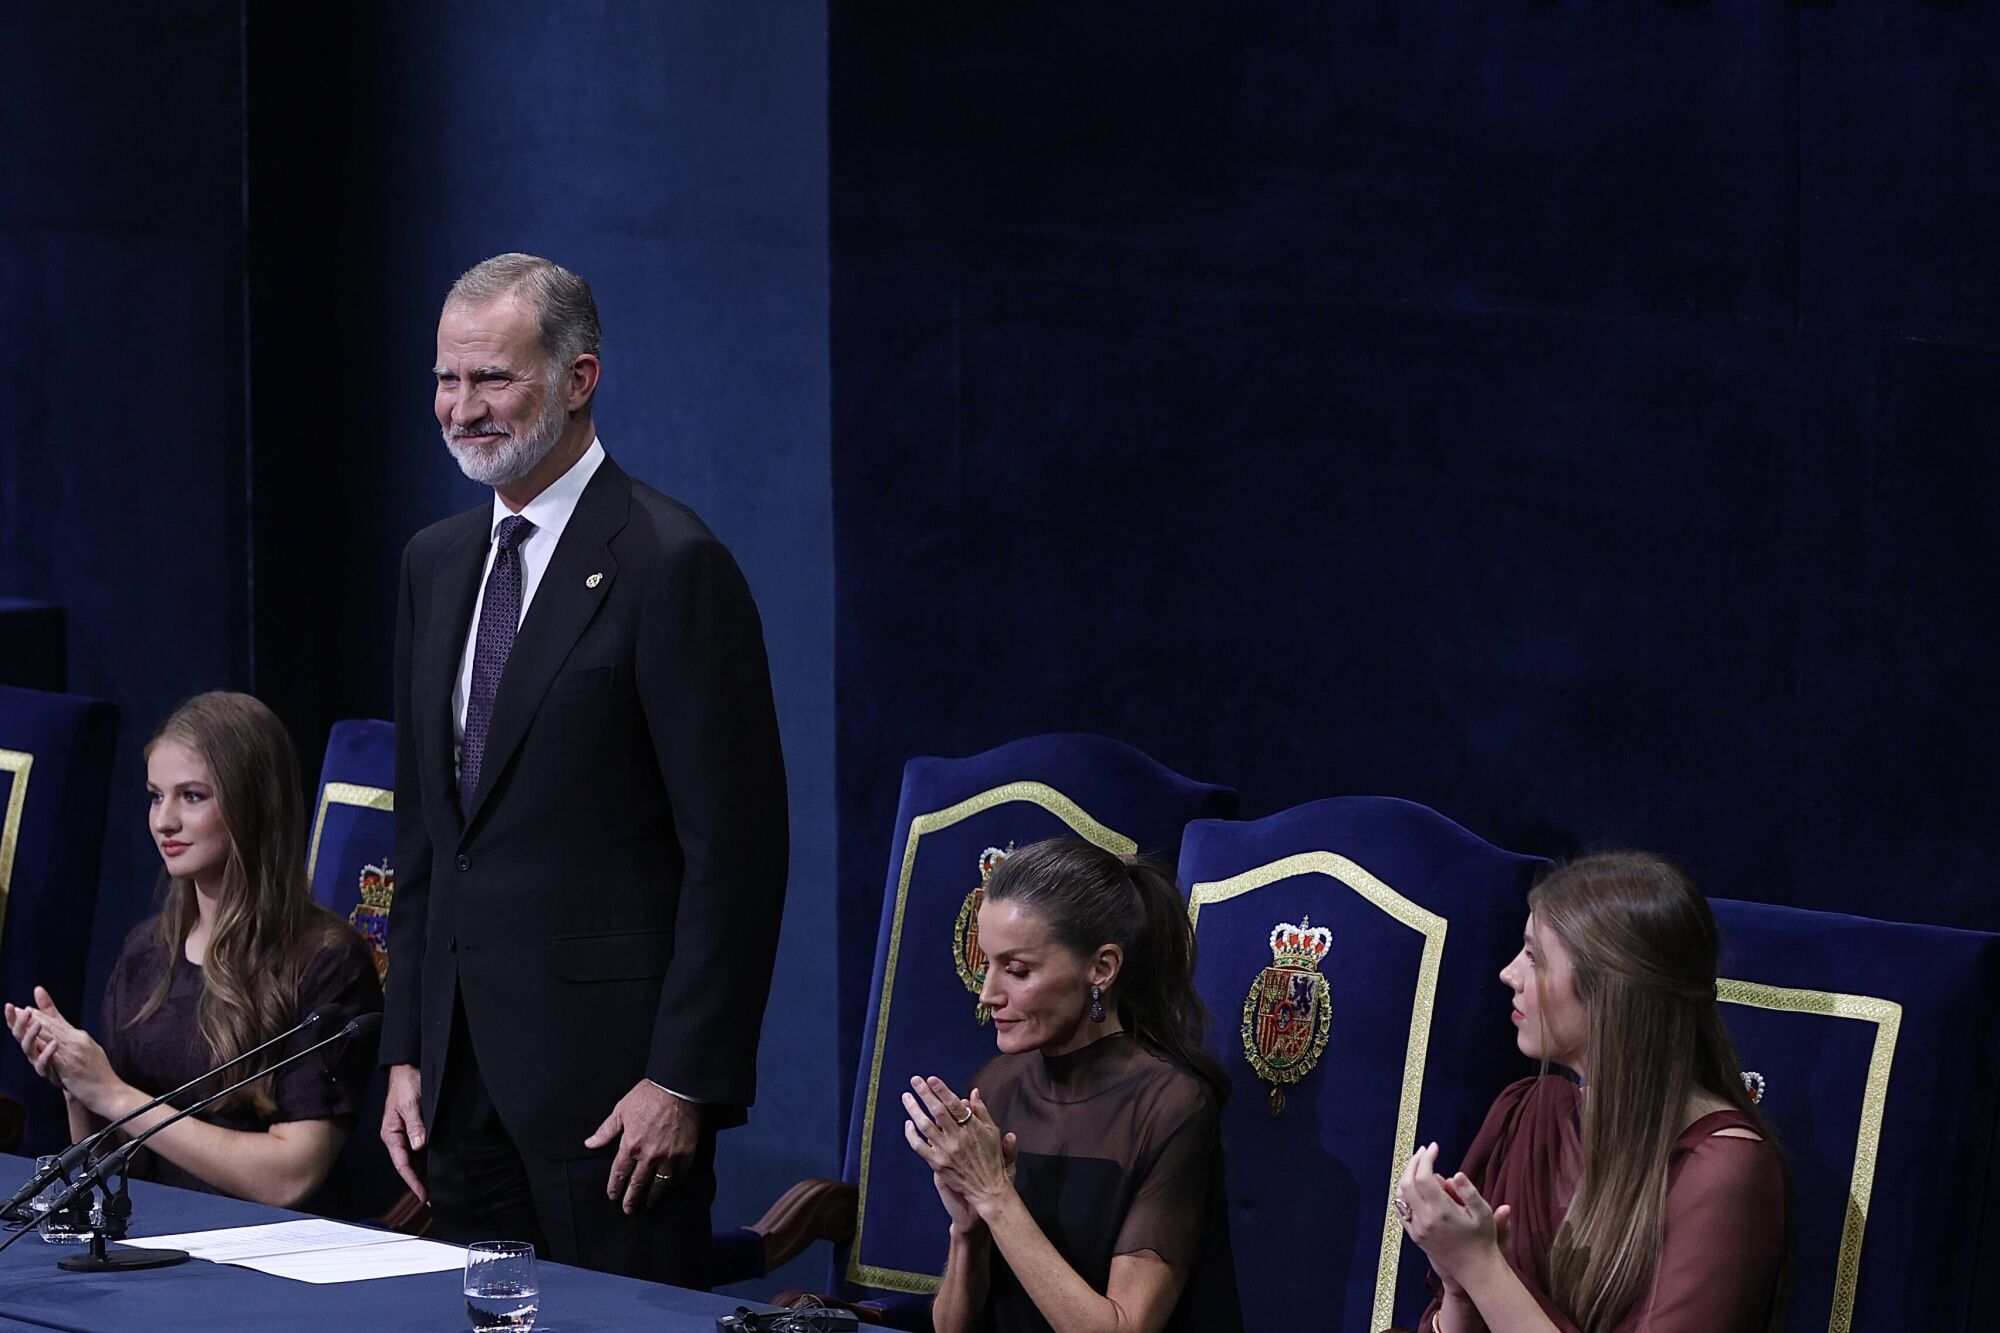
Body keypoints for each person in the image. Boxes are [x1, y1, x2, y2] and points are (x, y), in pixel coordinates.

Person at [380, 253, 788, 1286]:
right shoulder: (432, 563)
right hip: (457, 1089)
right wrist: (404, 1049)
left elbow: (734, 853)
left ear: (578, 378)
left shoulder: (670, 562)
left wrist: (684, 1081)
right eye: (445, 378)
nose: (462, 408)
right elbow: (429, 838)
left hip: (615, 1102)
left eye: (493, 378)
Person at [5, 691, 381, 1209]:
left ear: (255, 805)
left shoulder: (326, 961)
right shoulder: (146, 951)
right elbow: (123, 1170)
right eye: (156, 796)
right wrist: (78, 1083)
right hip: (153, 1240)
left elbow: (290, 1180)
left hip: (269, 1255)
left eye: (192, 796)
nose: (164, 822)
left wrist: (114, 1093)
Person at [1396, 852, 1786, 1333]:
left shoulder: (1722, 1169)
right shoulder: (1531, 1115)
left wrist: (1480, 1265)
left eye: (1534, 956)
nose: (1508, 973)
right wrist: (1461, 1288)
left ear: (1611, 992)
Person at [902, 838, 1242, 1333]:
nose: (989, 993)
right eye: (988, 963)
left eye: (1016, 970)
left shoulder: (1172, 1106)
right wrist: (968, 1230)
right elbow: (951, 1328)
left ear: (1101, 969)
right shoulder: (996, 1087)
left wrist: (996, 1197)